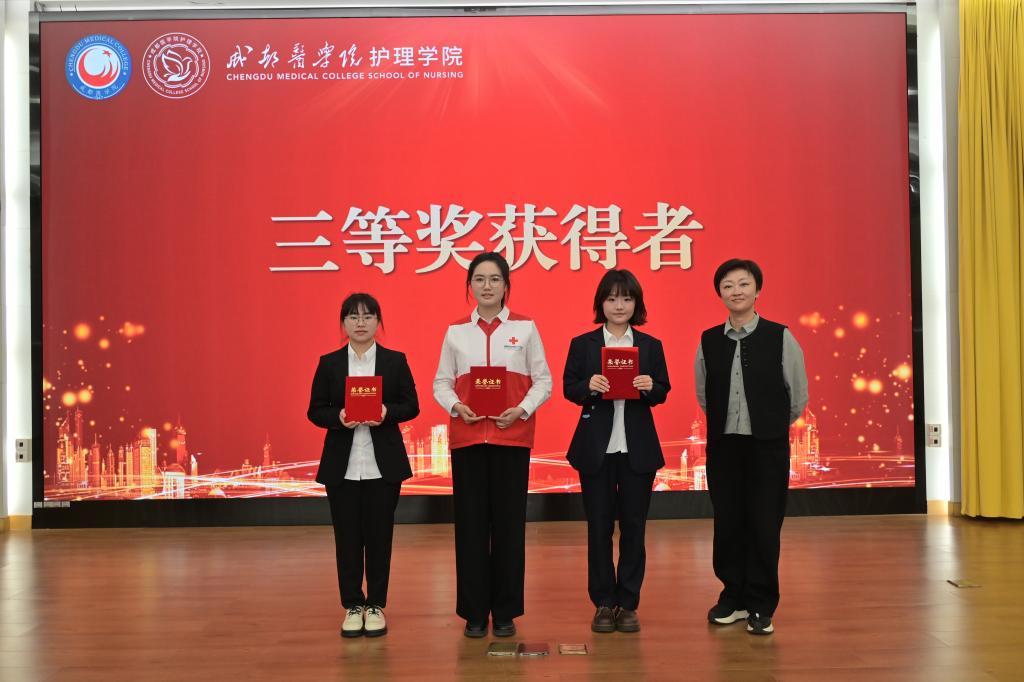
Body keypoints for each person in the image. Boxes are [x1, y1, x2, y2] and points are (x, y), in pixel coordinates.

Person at [432, 252, 553, 638]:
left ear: (506, 285)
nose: (487, 286)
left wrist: (521, 409)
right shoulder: (456, 332)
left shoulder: (525, 328)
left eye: (495, 279)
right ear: (470, 285)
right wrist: (456, 406)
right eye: (479, 279)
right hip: (468, 439)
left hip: (511, 439)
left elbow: (543, 381)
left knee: (508, 528)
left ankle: (504, 612)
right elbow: (441, 383)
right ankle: (473, 612)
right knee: (469, 528)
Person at [695, 259, 808, 635]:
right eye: (728, 285)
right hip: (724, 446)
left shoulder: (780, 336)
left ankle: (761, 603)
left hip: (766, 448)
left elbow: (797, 395)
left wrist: (769, 425)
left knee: (764, 523)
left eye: (744, 284)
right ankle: (733, 597)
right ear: (720, 293)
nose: (736, 291)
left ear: (757, 290)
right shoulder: (709, 340)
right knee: (728, 523)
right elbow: (703, 393)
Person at [563, 269, 670, 634]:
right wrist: (588, 385)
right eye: (611, 299)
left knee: (634, 527)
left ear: (636, 303)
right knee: (599, 527)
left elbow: (663, 390)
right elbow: (569, 387)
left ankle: (628, 602)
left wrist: (650, 386)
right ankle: (603, 603)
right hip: (597, 448)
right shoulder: (584, 344)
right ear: (601, 304)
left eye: (626, 298)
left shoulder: (650, 345)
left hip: (638, 448)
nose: (619, 305)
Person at [307, 293, 419, 638]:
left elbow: (411, 405)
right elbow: (315, 410)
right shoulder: (329, 363)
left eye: (368, 316)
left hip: (382, 466)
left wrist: (386, 412)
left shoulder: (394, 361)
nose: (360, 323)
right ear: (343, 323)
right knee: (347, 539)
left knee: (380, 537)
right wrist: (338, 417)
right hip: (342, 466)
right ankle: (353, 605)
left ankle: (376, 605)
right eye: (353, 317)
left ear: (378, 322)